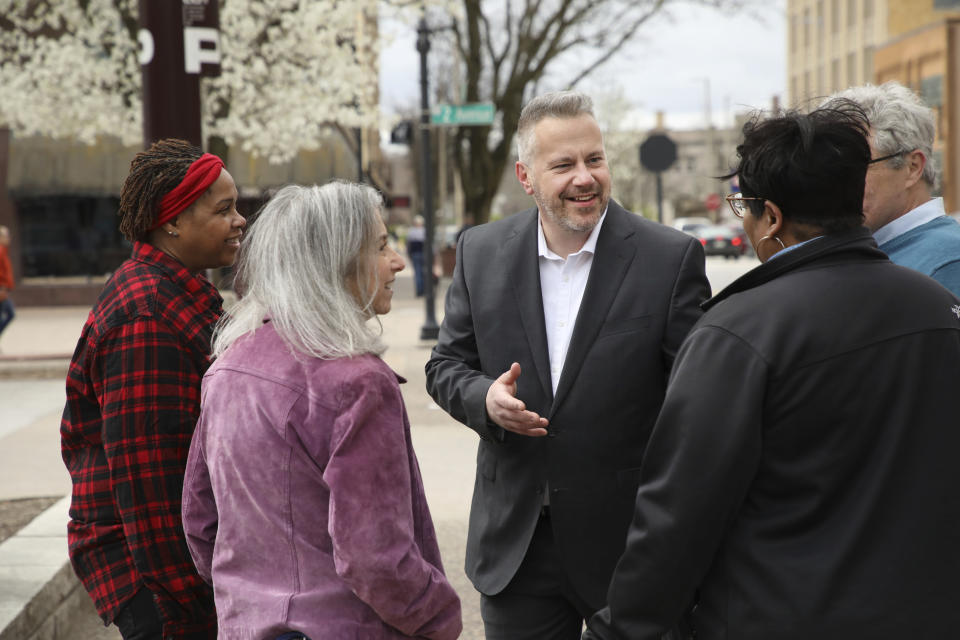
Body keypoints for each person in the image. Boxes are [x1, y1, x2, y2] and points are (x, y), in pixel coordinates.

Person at [583, 102, 960, 640]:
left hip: (778, 615)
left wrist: (623, 628)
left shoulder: (735, 335)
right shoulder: (940, 309)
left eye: (744, 206)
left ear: (772, 218)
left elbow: (678, 518)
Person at [425, 90, 710, 639]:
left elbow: (695, 403)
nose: (585, 177)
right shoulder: (480, 252)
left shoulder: (669, 258)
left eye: (594, 159)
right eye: (564, 165)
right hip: (518, 547)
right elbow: (445, 366)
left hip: (631, 546)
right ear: (526, 176)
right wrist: (484, 398)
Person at [181, 182, 462, 640]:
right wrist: (439, 618)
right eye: (380, 246)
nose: (396, 262)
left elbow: (200, 520)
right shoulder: (356, 382)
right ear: (335, 263)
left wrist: (252, 595)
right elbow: (374, 555)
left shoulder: (228, 365)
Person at [60, 139, 245, 639]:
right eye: (224, 209)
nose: (240, 219)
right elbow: (149, 486)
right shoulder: (145, 316)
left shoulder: (176, 288)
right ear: (172, 222)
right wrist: (188, 607)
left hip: (175, 573)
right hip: (160, 589)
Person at [823, 81, 960, 295]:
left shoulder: (948, 263)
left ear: (912, 167)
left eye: (853, 166)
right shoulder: (868, 250)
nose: (836, 183)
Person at [0, 225, 14, 340]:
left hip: (4, 289)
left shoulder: (4, 250)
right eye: (6, 236)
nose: (9, 238)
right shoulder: (0, 251)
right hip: (1, 289)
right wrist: (3, 287)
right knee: (10, 313)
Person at [406, 214, 426, 296]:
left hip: (415, 254)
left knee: (417, 273)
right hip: (423, 254)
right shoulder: (424, 231)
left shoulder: (411, 232)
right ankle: (423, 290)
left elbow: (408, 245)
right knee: (423, 272)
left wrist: (409, 254)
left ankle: (419, 291)